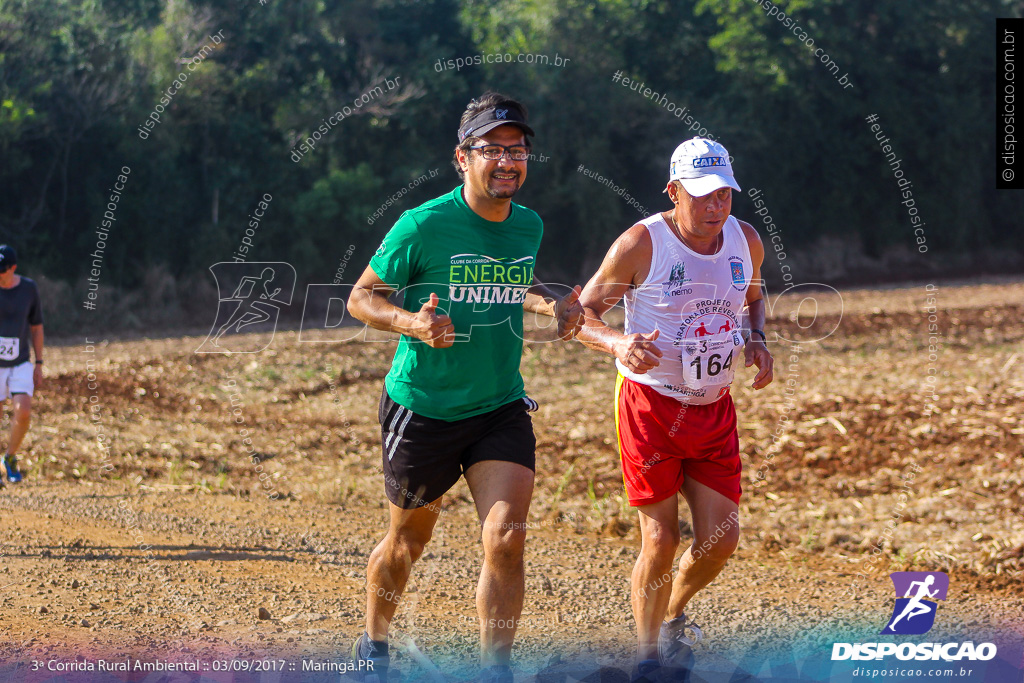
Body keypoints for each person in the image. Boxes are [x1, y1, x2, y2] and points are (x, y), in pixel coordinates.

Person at [345, 92, 584, 683]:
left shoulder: (528, 224)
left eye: (518, 150)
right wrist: (413, 324)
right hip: (424, 407)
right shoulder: (423, 224)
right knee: (407, 544)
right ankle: (374, 645)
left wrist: (548, 302)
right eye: (493, 150)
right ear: (462, 157)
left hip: (498, 405)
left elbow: (509, 287)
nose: (508, 161)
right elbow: (360, 298)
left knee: (505, 538)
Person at [576, 138, 774, 682]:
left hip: (713, 408)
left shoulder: (746, 240)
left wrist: (756, 339)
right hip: (650, 406)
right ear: (673, 191)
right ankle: (646, 660)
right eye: (704, 194)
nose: (716, 207)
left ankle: (671, 616)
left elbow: (754, 297)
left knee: (721, 539)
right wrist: (617, 343)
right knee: (660, 539)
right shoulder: (643, 243)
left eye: (725, 194)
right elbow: (581, 312)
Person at [0, 245, 45, 485]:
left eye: (3, 270)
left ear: (13, 268)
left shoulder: (28, 289)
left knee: (24, 411)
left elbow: (36, 327)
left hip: (19, 362)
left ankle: (9, 457)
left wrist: (39, 363)